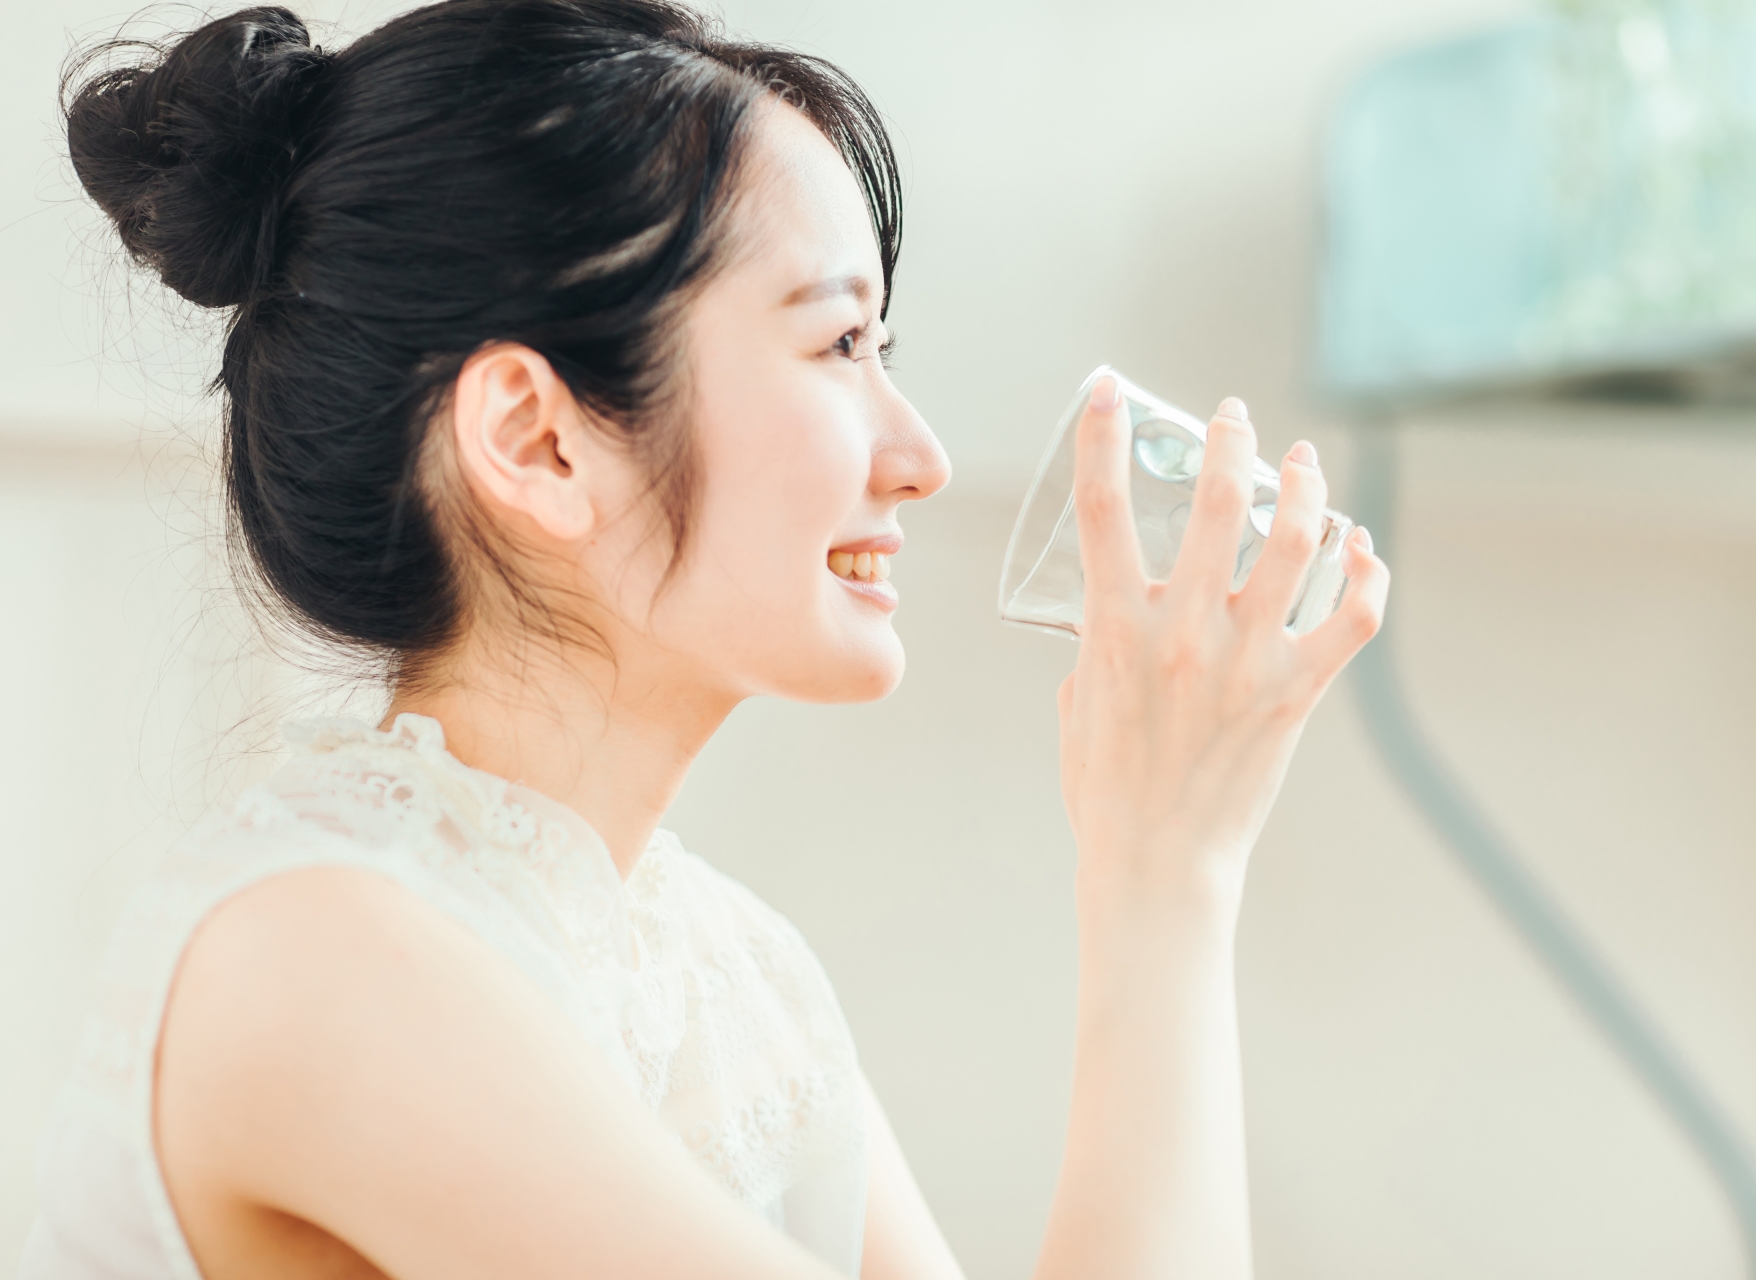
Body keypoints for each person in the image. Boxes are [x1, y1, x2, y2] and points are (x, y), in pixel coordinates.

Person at [24, 2, 1390, 1277]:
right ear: (538, 440)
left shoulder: (738, 980)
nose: (919, 457)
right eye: (839, 343)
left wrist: (1174, 861)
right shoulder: (322, 954)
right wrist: (1163, 872)